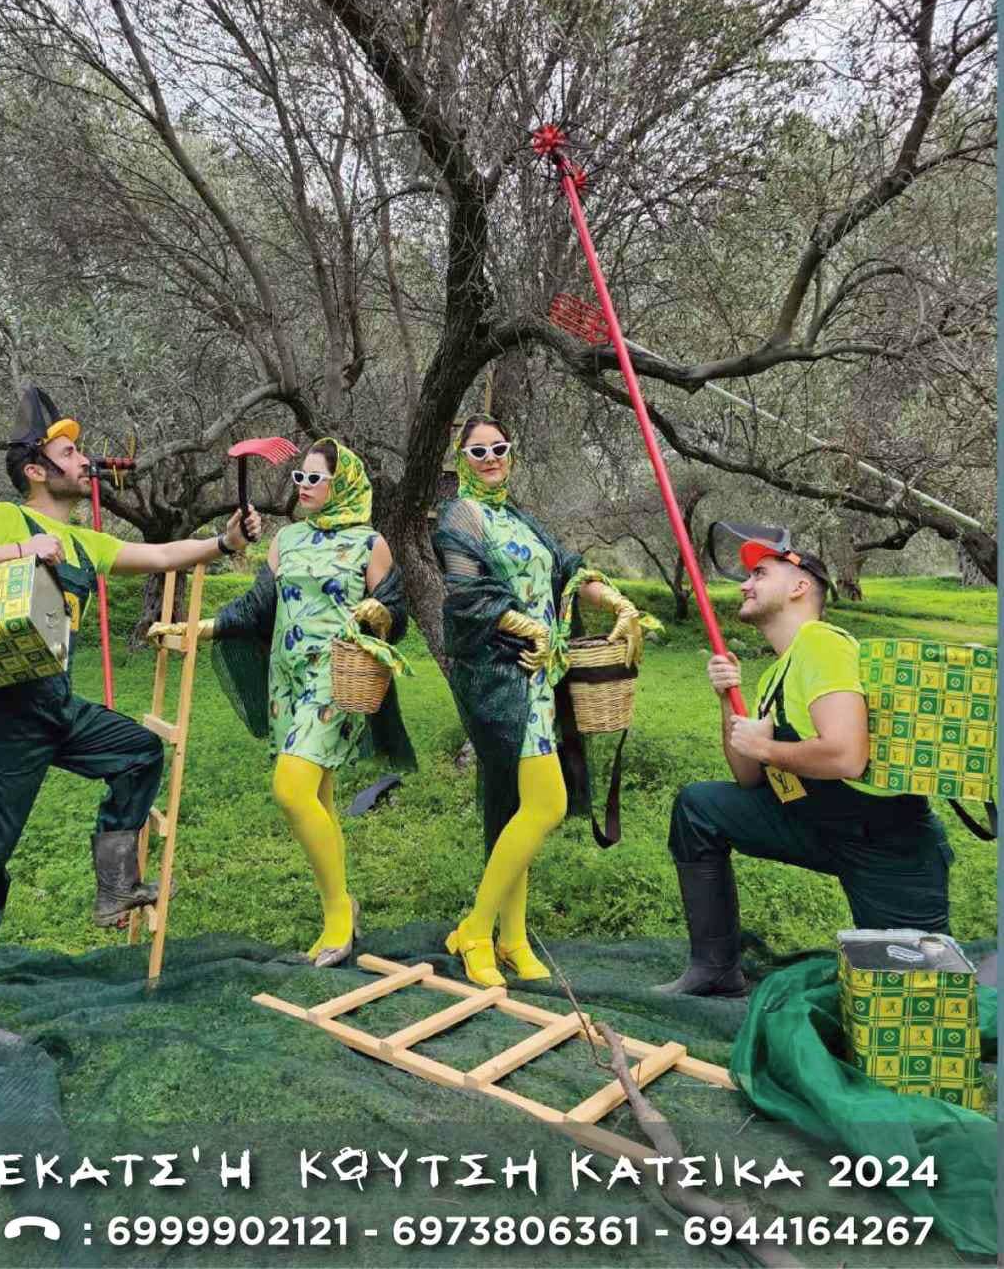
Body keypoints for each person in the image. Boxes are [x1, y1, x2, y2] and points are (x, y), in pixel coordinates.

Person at [0, 387, 262, 1048]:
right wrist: (17, 553)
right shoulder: (2, 519)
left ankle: (115, 886)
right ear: (36, 470)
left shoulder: (82, 540)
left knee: (137, 752)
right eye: (69, 452)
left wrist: (223, 541)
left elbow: (160, 556)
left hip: (53, 704)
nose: (83, 460)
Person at [658, 526, 954, 998]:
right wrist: (727, 700)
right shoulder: (775, 674)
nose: (745, 584)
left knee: (913, 999)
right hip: (814, 824)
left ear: (799, 586)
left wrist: (768, 748)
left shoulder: (821, 643)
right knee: (700, 807)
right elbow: (748, 776)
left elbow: (847, 755)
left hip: (888, 847)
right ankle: (714, 970)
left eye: (759, 573)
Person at [152, 438, 415, 967]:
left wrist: (379, 614)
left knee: (291, 788)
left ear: (343, 484)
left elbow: (396, 612)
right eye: (300, 478)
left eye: (315, 479)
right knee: (318, 796)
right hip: (287, 680)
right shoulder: (287, 539)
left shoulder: (370, 544)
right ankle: (340, 907)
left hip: (335, 679)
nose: (304, 487)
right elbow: (257, 607)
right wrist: (194, 627)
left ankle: (338, 913)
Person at [432, 415, 640, 989]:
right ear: (460, 459)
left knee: (519, 812)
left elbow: (569, 570)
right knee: (546, 805)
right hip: (502, 676)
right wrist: (529, 628)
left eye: (499, 447)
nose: (491, 458)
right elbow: (466, 596)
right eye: (478, 451)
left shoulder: (519, 518)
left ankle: (513, 937)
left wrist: (618, 602)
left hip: (540, 680)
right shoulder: (460, 516)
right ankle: (475, 930)